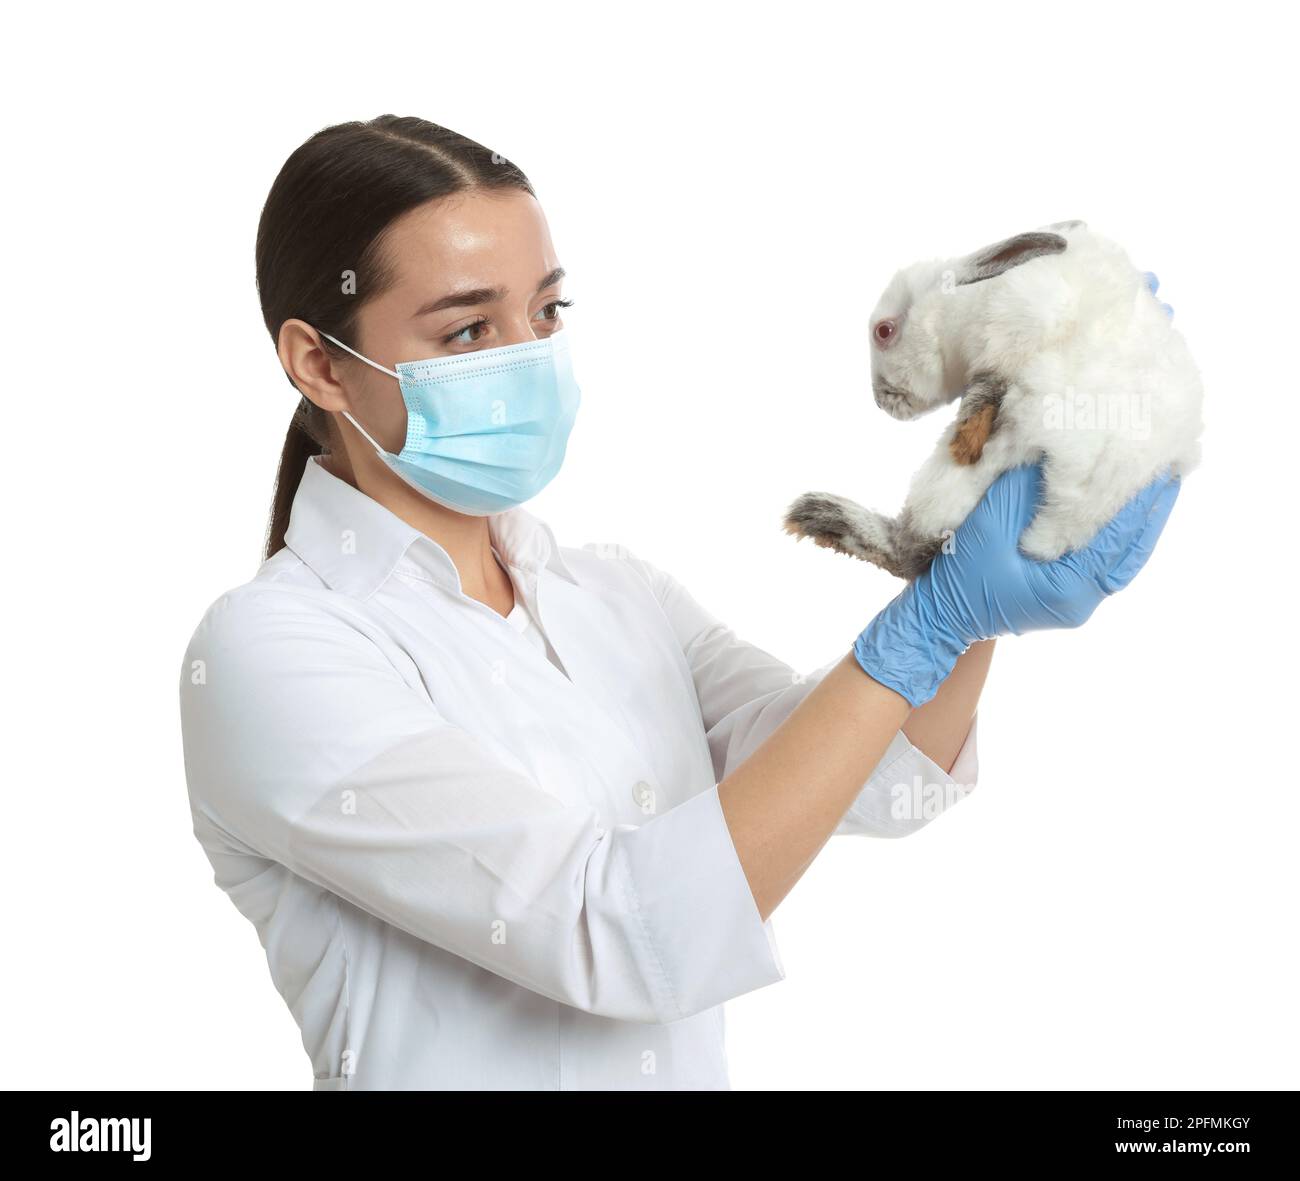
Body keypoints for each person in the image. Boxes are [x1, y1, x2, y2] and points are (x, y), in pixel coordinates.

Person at [178, 115, 1180, 1091]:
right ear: (318, 362)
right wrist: (937, 617)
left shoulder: (615, 592)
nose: (530, 355)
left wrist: (991, 528)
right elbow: (616, 929)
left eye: (547, 312)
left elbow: (875, 780)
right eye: (470, 327)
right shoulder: (273, 652)